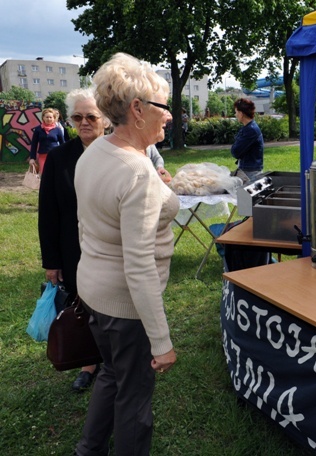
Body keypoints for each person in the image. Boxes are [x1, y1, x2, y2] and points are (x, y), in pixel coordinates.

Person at [73, 52, 178, 456]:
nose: (169, 115)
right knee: (134, 399)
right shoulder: (136, 172)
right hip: (124, 305)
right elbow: (139, 266)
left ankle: (89, 449)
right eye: (163, 106)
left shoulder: (96, 151)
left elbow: (89, 224)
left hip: (94, 293)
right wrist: (161, 341)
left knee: (112, 375)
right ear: (137, 109)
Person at [38, 88, 110, 392]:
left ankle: (115, 354)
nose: (84, 122)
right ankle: (89, 361)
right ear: (69, 120)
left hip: (113, 248)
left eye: (91, 116)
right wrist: (52, 262)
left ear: (105, 119)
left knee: (115, 304)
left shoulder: (118, 154)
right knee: (83, 304)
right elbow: (48, 213)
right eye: (77, 117)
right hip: (74, 249)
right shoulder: (58, 158)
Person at [231, 97, 264, 182]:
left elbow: (236, 152)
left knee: (246, 195)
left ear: (241, 113)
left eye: (236, 112)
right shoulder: (248, 127)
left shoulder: (250, 130)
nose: (235, 115)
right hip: (248, 170)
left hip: (250, 173)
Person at [29, 107, 65, 175]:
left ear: (54, 118)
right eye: (47, 117)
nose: (49, 119)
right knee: (45, 174)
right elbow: (34, 144)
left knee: (55, 174)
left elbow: (63, 144)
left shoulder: (58, 129)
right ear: (43, 118)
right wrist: (32, 158)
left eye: (50, 117)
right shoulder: (38, 129)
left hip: (55, 156)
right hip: (43, 156)